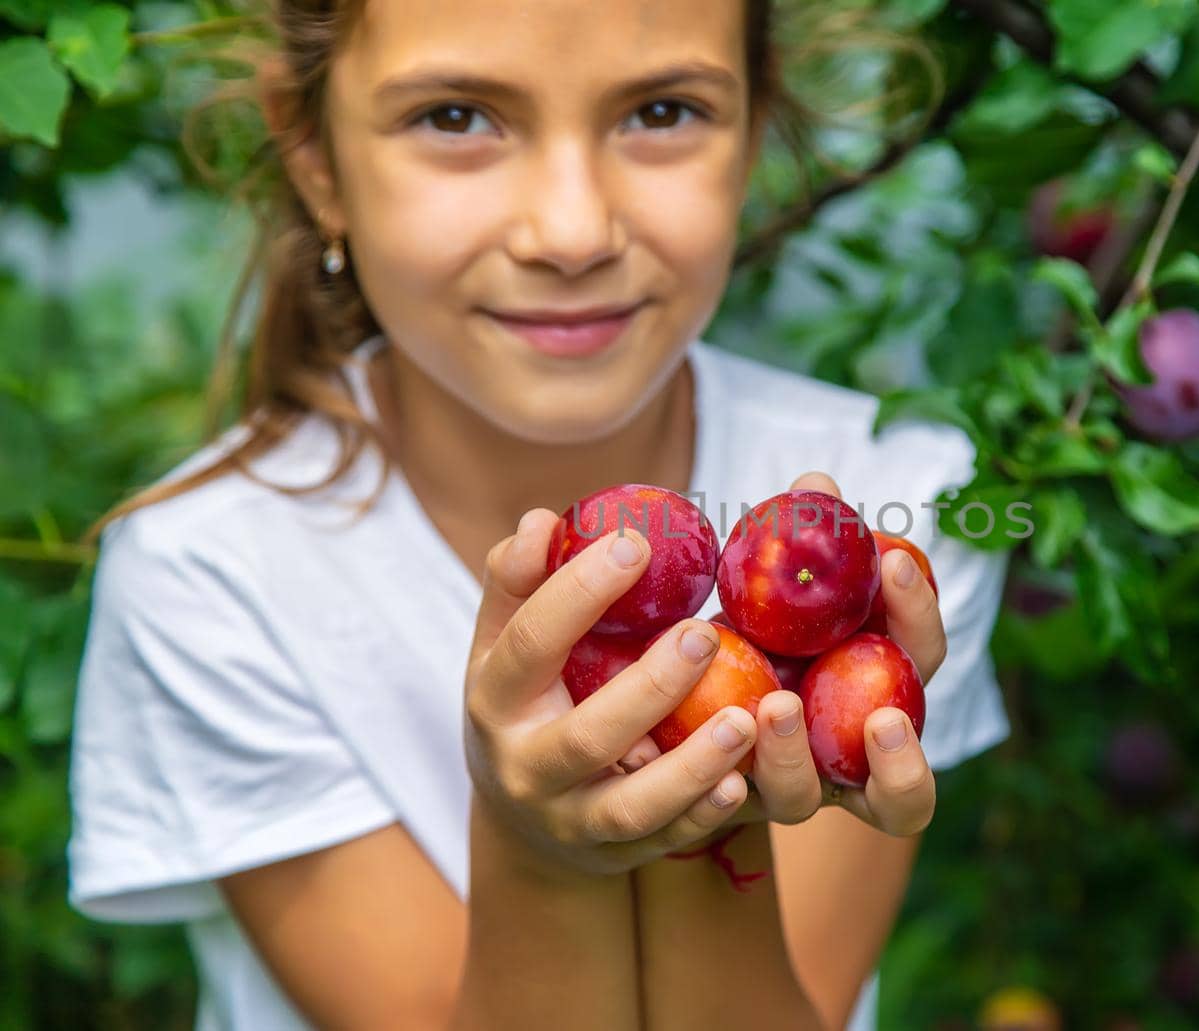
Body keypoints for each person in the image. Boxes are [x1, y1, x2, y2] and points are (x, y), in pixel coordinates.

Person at [66, 1, 1011, 1027]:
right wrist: (541, 853)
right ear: (316, 157)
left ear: (755, 131)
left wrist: (713, 800)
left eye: (660, 109)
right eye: (457, 116)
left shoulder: (896, 514)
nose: (571, 231)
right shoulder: (215, 575)